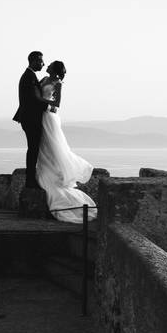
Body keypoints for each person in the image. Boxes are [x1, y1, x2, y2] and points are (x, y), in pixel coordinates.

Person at [35, 61, 97, 223]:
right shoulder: (42, 80)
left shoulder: (58, 84)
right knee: (43, 148)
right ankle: (46, 172)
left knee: (52, 147)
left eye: (49, 65)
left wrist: (41, 101)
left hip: (48, 117)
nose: (46, 66)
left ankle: (55, 177)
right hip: (40, 116)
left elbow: (56, 104)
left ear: (54, 70)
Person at [12, 51, 58, 188]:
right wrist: (49, 107)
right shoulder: (29, 77)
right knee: (33, 149)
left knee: (34, 149)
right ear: (34, 61)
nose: (43, 64)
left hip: (29, 118)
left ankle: (31, 179)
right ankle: (30, 180)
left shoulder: (30, 76)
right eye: (41, 61)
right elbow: (34, 98)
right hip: (31, 119)